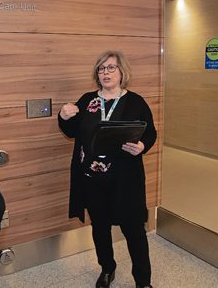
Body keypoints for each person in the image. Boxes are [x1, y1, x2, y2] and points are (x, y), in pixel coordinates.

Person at [58, 51, 157, 288]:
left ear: (122, 72)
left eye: (111, 68)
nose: (106, 73)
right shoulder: (87, 100)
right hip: (92, 178)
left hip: (126, 180)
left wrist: (143, 145)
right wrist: (63, 116)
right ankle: (107, 269)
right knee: (100, 227)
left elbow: (150, 132)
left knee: (134, 230)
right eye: (101, 69)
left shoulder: (136, 102)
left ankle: (143, 282)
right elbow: (71, 131)